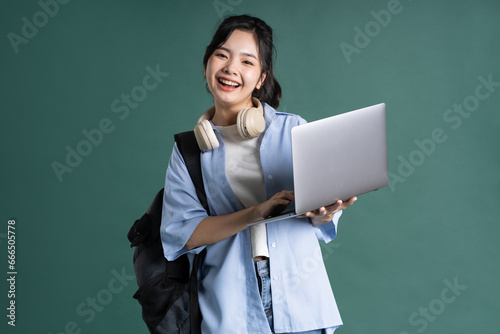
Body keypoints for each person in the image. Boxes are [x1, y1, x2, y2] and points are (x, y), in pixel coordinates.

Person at [160, 14, 356, 334]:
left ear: (261, 78)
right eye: (222, 54)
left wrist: (325, 212)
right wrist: (254, 213)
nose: (231, 68)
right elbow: (183, 232)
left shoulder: (294, 130)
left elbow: (319, 220)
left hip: (300, 301)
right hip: (229, 306)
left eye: (247, 61)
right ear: (207, 63)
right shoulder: (188, 150)